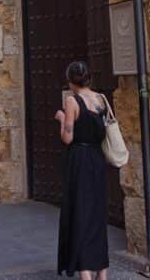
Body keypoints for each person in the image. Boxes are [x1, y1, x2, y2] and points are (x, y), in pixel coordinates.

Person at [55, 60, 109, 279]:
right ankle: (102, 272)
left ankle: (85, 272)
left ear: (70, 80)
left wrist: (61, 119)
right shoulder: (101, 99)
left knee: (80, 213)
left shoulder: (72, 101)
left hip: (79, 160)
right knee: (97, 214)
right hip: (98, 159)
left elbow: (67, 138)